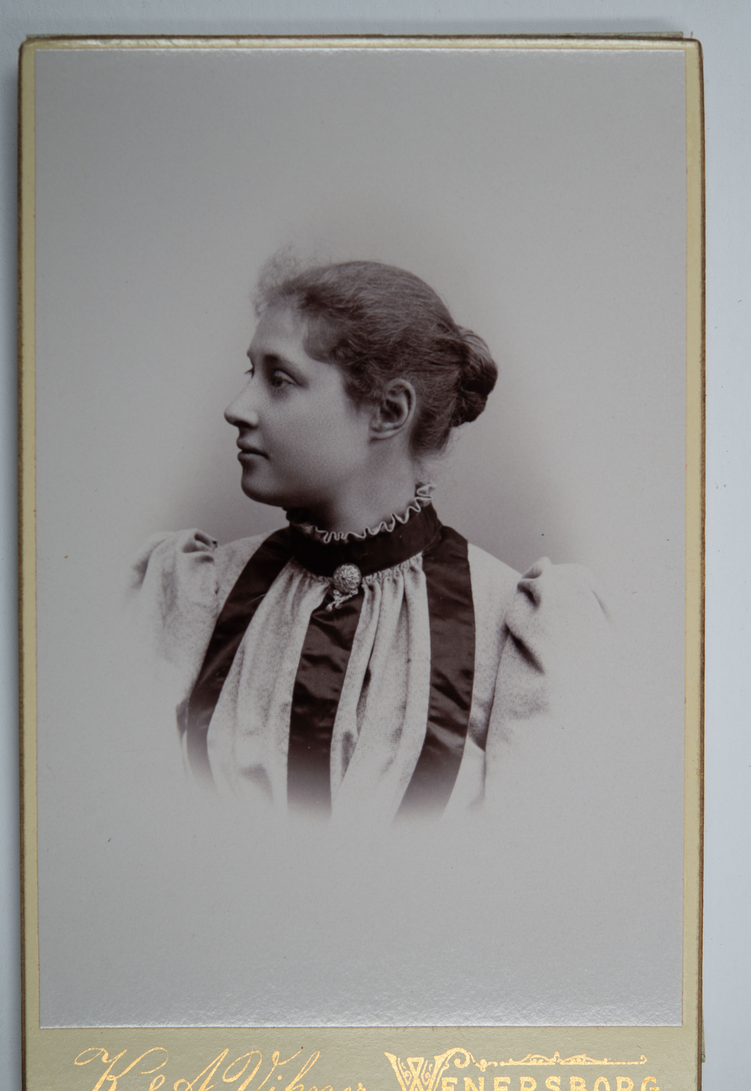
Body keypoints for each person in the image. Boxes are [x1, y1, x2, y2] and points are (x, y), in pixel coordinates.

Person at [131, 259, 608, 821]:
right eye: (251, 372)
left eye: (279, 379)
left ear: (388, 411)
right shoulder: (197, 595)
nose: (237, 408)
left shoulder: (514, 631)